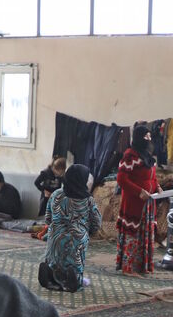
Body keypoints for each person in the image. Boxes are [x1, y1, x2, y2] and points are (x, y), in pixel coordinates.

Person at [39, 163, 100, 292]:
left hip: (55, 236)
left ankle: (50, 274)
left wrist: (55, 228)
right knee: (75, 258)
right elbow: (96, 222)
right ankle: (74, 279)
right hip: (77, 237)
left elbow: (48, 218)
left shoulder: (56, 194)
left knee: (54, 256)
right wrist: (90, 232)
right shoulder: (88, 199)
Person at [115, 125, 161, 275]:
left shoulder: (148, 157)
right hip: (134, 203)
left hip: (147, 204)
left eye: (149, 136)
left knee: (144, 234)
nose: (148, 139)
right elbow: (121, 179)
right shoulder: (130, 155)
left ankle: (141, 266)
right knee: (132, 234)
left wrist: (157, 187)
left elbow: (152, 178)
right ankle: (128, 268)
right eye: (145, 137)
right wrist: (139, 191)